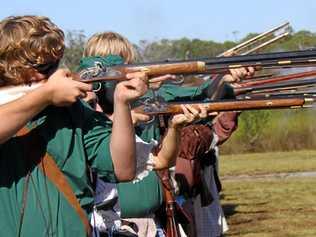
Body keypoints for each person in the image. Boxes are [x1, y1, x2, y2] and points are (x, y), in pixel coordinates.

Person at [0, 15, 148, 237]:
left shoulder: (73, 110)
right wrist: (46, 95)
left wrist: (122, 103)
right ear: (10, 67)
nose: (53, 73)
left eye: (55, 65)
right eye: (43, 67)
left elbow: (123, 168)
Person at [79, 32, 207, 237]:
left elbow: (162, 161)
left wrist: (175, 127)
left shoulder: (136, 107)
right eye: (118, 65)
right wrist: (127, 119)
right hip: (108, 228)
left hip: (150, 224)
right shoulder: (83, 115)